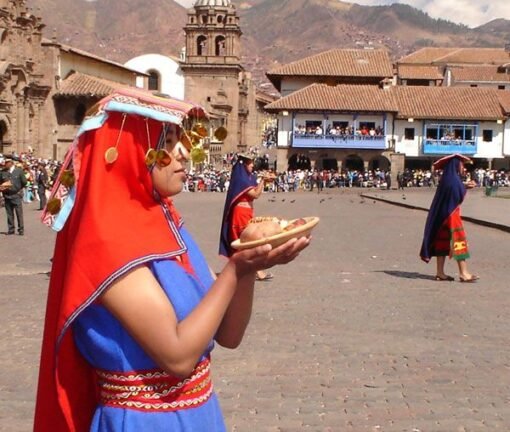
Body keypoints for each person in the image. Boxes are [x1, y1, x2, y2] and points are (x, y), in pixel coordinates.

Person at [33, 89, 310, 432]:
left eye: (181, 141)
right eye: (168, 142)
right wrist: (237, 267)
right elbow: (178, 356)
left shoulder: (169, 226)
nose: (183, 154)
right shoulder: (108, 242)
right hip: (144, 421)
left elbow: (228, 333)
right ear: (132, 152)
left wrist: (248, 266)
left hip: (200, 413)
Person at [420, 154, 479, 282]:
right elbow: (456, 195)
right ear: (456, 165)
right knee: (459, 241)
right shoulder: (453, 180)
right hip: (451, 215)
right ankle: (464, 273)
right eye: (462, 164)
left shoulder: (448, 178)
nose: (463, 168)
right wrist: (465, 187)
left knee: (442, 242)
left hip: (443, 216)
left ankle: (440, 272)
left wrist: (464, 186)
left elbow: (454, 191)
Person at [219, 154, 273, 281]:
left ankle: (242, 269)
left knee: (246, 241)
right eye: (250, 163)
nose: (252, 165)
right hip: (241, 213)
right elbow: (255, 194)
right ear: (244, 164)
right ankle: (258, 271)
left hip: (247, 212)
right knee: (248, 240)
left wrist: (264, 181)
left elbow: (256, 192)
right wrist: (263, 181)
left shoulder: (249, 178)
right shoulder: (241, 180)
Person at [0, 157, 27, 235]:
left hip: (16, 195)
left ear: (11, 163)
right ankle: (11, 229)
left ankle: (21, 229)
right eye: (5, 163)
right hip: (7, 195)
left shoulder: (19, 171)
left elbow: (24, 182)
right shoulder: (3, 172)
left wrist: (19, 189)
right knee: (9, 214)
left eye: (7, 163)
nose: (5, 164)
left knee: (19, 213)